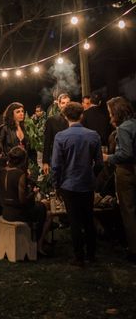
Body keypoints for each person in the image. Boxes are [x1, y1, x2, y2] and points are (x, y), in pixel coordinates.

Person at [52, 102, 103, 266]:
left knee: (74, 221)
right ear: (82, 116)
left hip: (69, 184)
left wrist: (56, 184)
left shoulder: (60, 136)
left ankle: (79, 256)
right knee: (88, 219)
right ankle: (92, 255)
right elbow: (100, 163)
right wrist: (92, 175)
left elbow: (56, 165)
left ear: (65, 117)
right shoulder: (93, 135)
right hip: (87, 183)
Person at [0, 146, 51, 256]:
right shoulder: (19, 174)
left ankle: (39, 240)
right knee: (45, 209)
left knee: (41, 206)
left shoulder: (3, 170)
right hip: (17, 213)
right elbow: (23, 201)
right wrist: (34, 192)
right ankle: (38, 244)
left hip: (6, 210)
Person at [104, 97, 136, 262]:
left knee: (128, 210)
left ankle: (133, 249)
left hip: (127, 171)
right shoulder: (134, 124)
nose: (109, 114)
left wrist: (107, 157)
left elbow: (125, 154)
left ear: (116, 112)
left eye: (110, 111)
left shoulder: (123, 129)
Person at [43, 93, 71, 174]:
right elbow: (47, 142)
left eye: (68, 103)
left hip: (73, 157)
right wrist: (45, 161)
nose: (65, 105)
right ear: (59, 104)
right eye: (63, 103)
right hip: (56, 157)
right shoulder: (51, 120)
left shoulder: (75, 119)